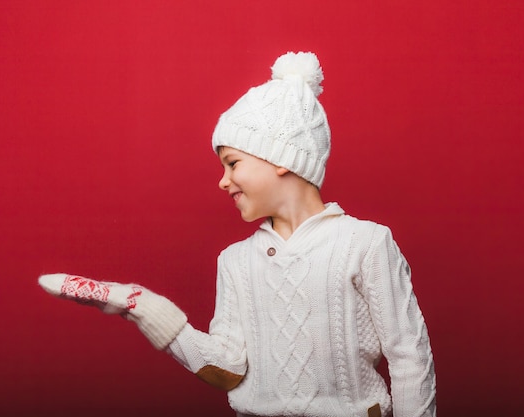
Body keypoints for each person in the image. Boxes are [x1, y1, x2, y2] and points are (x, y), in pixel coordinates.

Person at [39, 51, 436, 417]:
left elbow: (409, 354)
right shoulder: (235, 261)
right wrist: (143, 307)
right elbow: (226, 369)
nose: (223, 182)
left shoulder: (364, 243)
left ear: (279, 157)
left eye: (232, 163)